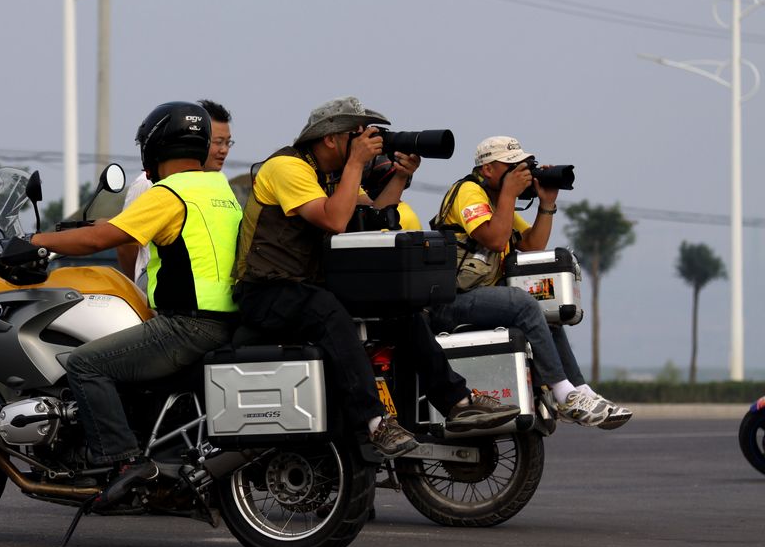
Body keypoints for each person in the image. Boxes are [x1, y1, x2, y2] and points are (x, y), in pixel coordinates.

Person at [232, 96, 520, 458]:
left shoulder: (332, 175)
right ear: (330, 139)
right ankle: (374, 423)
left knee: (400, 309)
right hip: (265, 289)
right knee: (328, 310)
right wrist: (356, 163)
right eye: (357, 133)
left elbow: (377, 213)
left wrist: (400, 176)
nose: (367, 140)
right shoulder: (287, 168)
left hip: (306, 287)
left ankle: (458, 402)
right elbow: (335, 219)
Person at [29, 101, 242, 508]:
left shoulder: (169, 193)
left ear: (156, 147)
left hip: (187, 325)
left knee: (85, 364)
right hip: (225, 321)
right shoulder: (219, 189)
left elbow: (103, 238)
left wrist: (35, 242)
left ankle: (124, 463)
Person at [429, 135, 632, 429]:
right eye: (510, 165)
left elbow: (533, 245)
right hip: (449, 301)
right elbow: (496, 239)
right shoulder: (469, 192)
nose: (519, 172)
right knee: (523, 303)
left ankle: (580, 392)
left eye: (521, 165)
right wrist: (510, 195)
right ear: (487, 169)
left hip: (478, 300)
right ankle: (563, 394)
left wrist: (546, 203)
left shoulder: (498, 202)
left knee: (545, 313)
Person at [116, 99, 234, 288]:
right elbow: (125, 243)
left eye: (228, 142)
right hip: (158, 291)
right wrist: (137, 288)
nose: (224, 150)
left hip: (201, 295)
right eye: (218, 142)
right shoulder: (148, 183)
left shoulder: (220, 182)